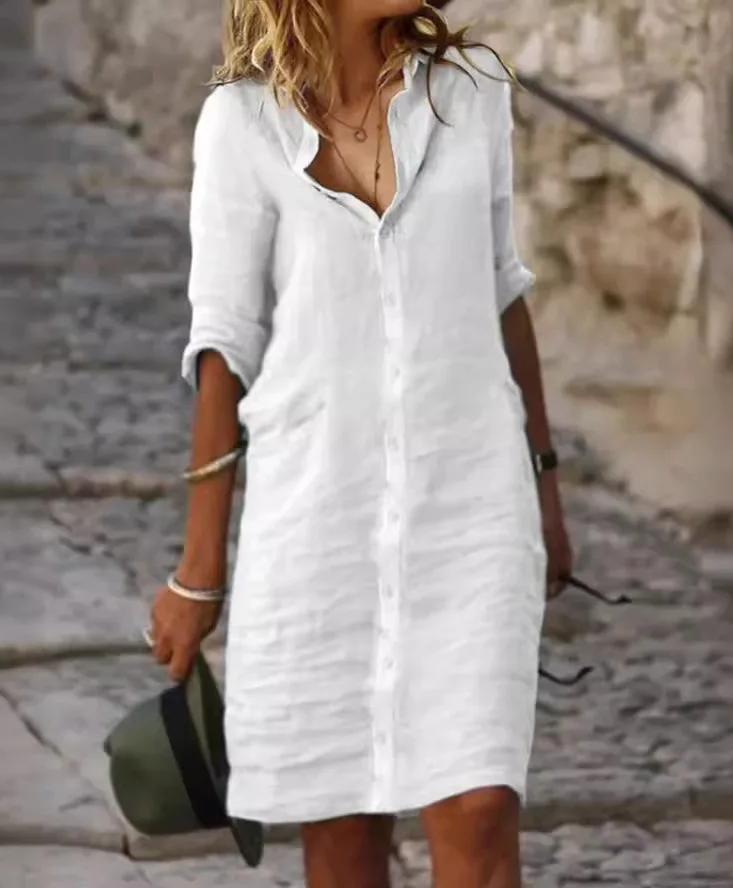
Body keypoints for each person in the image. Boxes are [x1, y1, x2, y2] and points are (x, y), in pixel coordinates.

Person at [148, 1, 572, 885]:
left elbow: (503, 288)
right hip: (314, 521)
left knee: (480, 810)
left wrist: (544, 487)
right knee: (342, 836)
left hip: (473, 507)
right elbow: (225, 344)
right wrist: (199, 569)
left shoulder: (473, 94)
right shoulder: (241, 124)